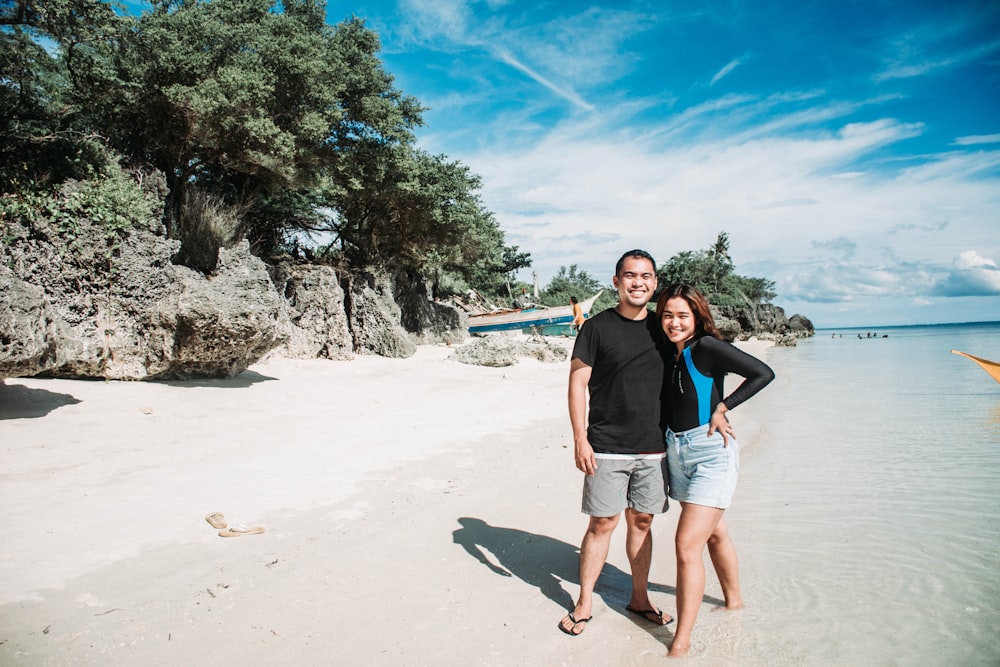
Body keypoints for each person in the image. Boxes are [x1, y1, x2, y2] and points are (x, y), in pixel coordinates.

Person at [558, 249, 674, 636]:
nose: (637, 282)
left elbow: (699, 368)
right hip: (605, 445)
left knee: (642, 521)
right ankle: (585, 600)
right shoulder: (596, 328)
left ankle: (639, 597)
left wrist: (720, 411)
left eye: (645, 276)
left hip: (653, 446)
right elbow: (577, 384)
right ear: (616, 282)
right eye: (630, 275)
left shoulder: (665, 328)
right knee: (603, 523)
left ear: (655, 283)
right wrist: (580, 439)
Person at [655, 283, 774, 658]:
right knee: (714, 533)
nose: (674, 323)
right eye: (668, 315)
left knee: (686, 545)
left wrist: (724, 406)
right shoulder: (669, 352)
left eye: (682, 316)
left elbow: (762, 372)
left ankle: (681, 643)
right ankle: (734, 602)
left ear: (697, 316)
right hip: (678, 452)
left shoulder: (706, 347)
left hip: (710, 454)